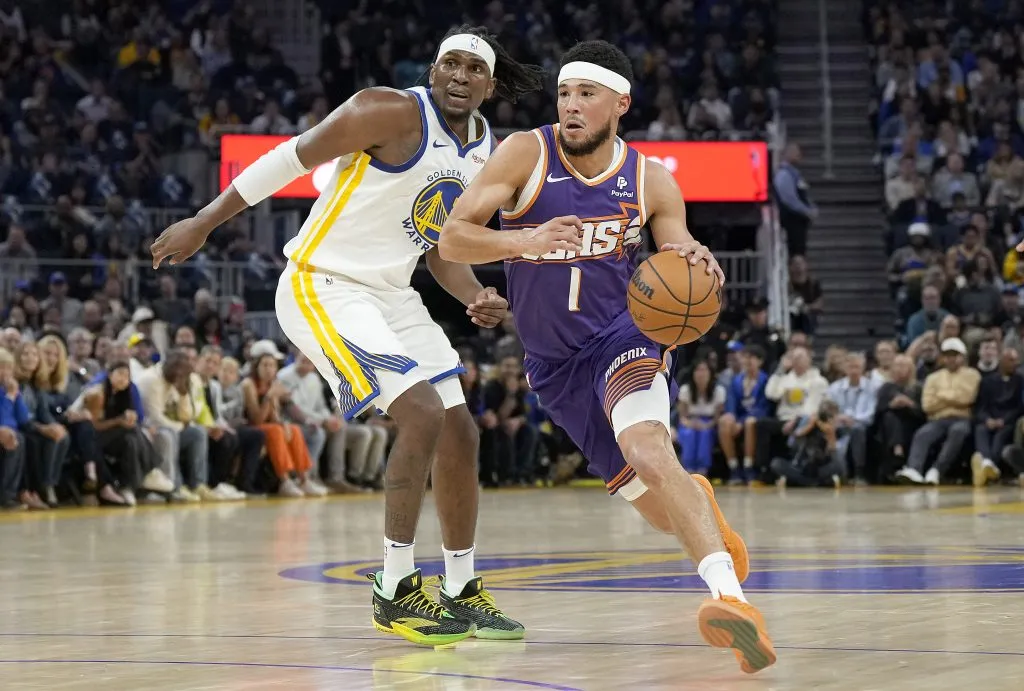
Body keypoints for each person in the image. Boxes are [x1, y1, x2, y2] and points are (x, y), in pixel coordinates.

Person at [150, 25, 542, 645]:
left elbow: (439, 245)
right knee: (419, 414)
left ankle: (462, 589)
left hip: (392, 293)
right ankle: (394, 589)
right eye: (450, 64)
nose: (460, 76)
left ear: (490, 86)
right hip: (323, 283)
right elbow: (287, 158)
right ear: (433, 69)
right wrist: (203, 222)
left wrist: (474, 295)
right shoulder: (383, 109)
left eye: (474, 69)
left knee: (460, 429)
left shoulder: (482, 149)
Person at [439, 40, 774, 672]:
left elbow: (676, 247)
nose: (571, 105)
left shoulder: (650, 177)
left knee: (649, 448)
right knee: (652, 505)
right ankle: (698, 509)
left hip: (623, 335)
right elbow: (453, 238)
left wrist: (695, 258)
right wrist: (524, 241)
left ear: (619, 102)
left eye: (587, 94)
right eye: (564, 93)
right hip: (552, 365)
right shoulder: (524, 153)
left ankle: (733, 603)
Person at [895, 338, 980, 485]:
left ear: (963, 356)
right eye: (947, 355)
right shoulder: (933, 378)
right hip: (938, 419)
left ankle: (937, 470)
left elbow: (967, 398)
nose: (951, 359)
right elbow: (927, 405)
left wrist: (941, 396)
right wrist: (954, 398)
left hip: (962, 418)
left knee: (958, 432)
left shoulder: (972, 375)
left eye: (955, 355)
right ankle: (914, 469)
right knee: (923, 434)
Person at [971, 347, 1023, 487]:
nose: (1015, 363)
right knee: (980, 429)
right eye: (1011, 360)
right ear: (1002, 361)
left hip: (1008, 420)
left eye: (1016, 360)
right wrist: (987, 419)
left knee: (1000, 436)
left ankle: (988, 465)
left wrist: (1004, 420)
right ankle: (987, 462)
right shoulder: (987, 381)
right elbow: (980, 406)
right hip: (989, 418)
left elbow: (1019, 407)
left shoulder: (1020, 381)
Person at [718, 345, 769, 484]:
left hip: (758, 416)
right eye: (746, 357)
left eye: (751, 358)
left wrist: (741, 421)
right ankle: (733, 468)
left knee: (749, 422)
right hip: (740, 416)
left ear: (760, 361)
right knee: (724, 421)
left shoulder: (765, 380)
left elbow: (763, 405)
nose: (747, 361)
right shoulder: (736, 380)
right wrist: (732, 416)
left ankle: (748, 467)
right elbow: (732, 403)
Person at [677, 360, 725, 477]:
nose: (701, 373)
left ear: (710, 373)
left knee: (705, 434)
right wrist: (689, 423)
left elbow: (717, 417)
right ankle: (688, 469)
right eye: (698, 370)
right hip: (689, 421)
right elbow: (682, 415)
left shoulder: (719, 391)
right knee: (689, 434)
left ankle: (702, 470)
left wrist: (706, 425)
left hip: (709, 423)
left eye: (704, 370)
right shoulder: (685, 390)